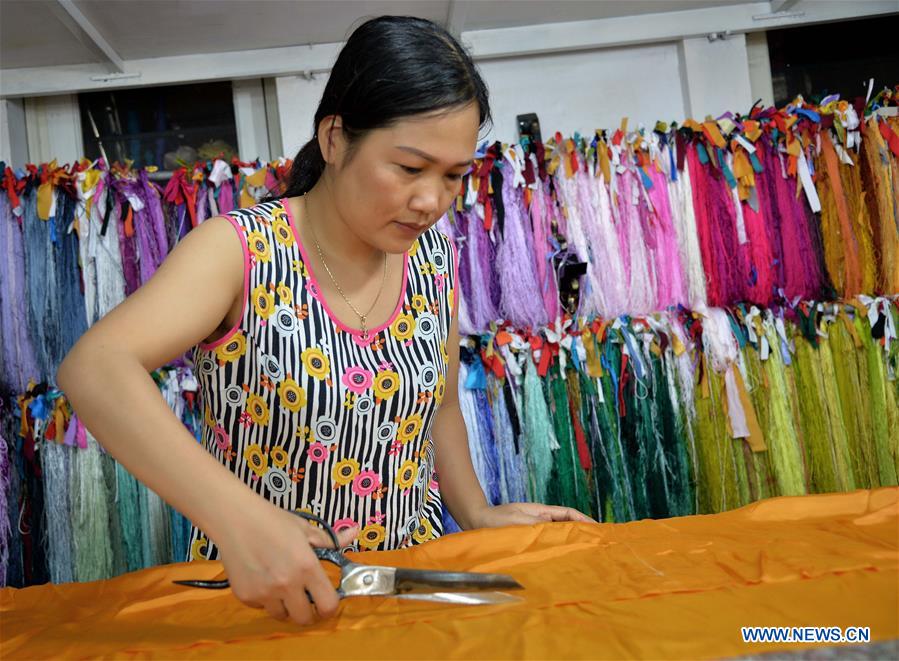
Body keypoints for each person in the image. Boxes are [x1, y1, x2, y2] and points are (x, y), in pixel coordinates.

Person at [57, 15, 592, 627]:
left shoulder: (433, 255)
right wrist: (238, 519)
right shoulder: (240, 251)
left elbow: (440, 402)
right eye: (409, 168)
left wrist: (475, 512)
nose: (431, 201)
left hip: (407, 587)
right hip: (269, 598)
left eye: (453, 176)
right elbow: (96, 366)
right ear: (335, 139)